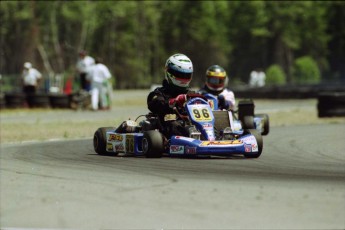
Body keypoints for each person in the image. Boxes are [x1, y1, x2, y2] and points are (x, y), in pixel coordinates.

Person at [147, 53, 195, 138]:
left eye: (186, 75)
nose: (183, 79)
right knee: (174, 125)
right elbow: (155, 104)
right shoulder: (159, 93)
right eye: (180, 75)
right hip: (167, 127)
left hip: (193, 124)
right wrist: (174, 101)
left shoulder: (192, 94)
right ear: (169, 72)